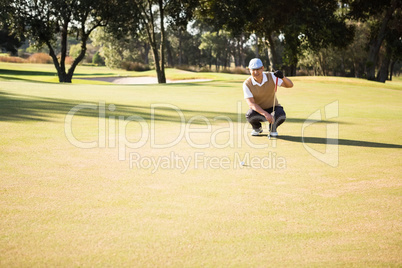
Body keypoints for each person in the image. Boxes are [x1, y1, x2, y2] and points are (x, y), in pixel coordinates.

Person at [243, 58, 294, 137]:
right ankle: (257, 128)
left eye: (258, 69)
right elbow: (251, 104)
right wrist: (266, 114)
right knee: (250, 115)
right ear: (250, 70)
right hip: (259, 110)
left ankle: (273, 128)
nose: (256, 72)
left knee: (281, 114)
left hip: (273, 107)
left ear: (262, 68)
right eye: (253, 70)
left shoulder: (272, 76)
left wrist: (283, 77)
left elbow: (290, 85)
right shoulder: (247, 84)